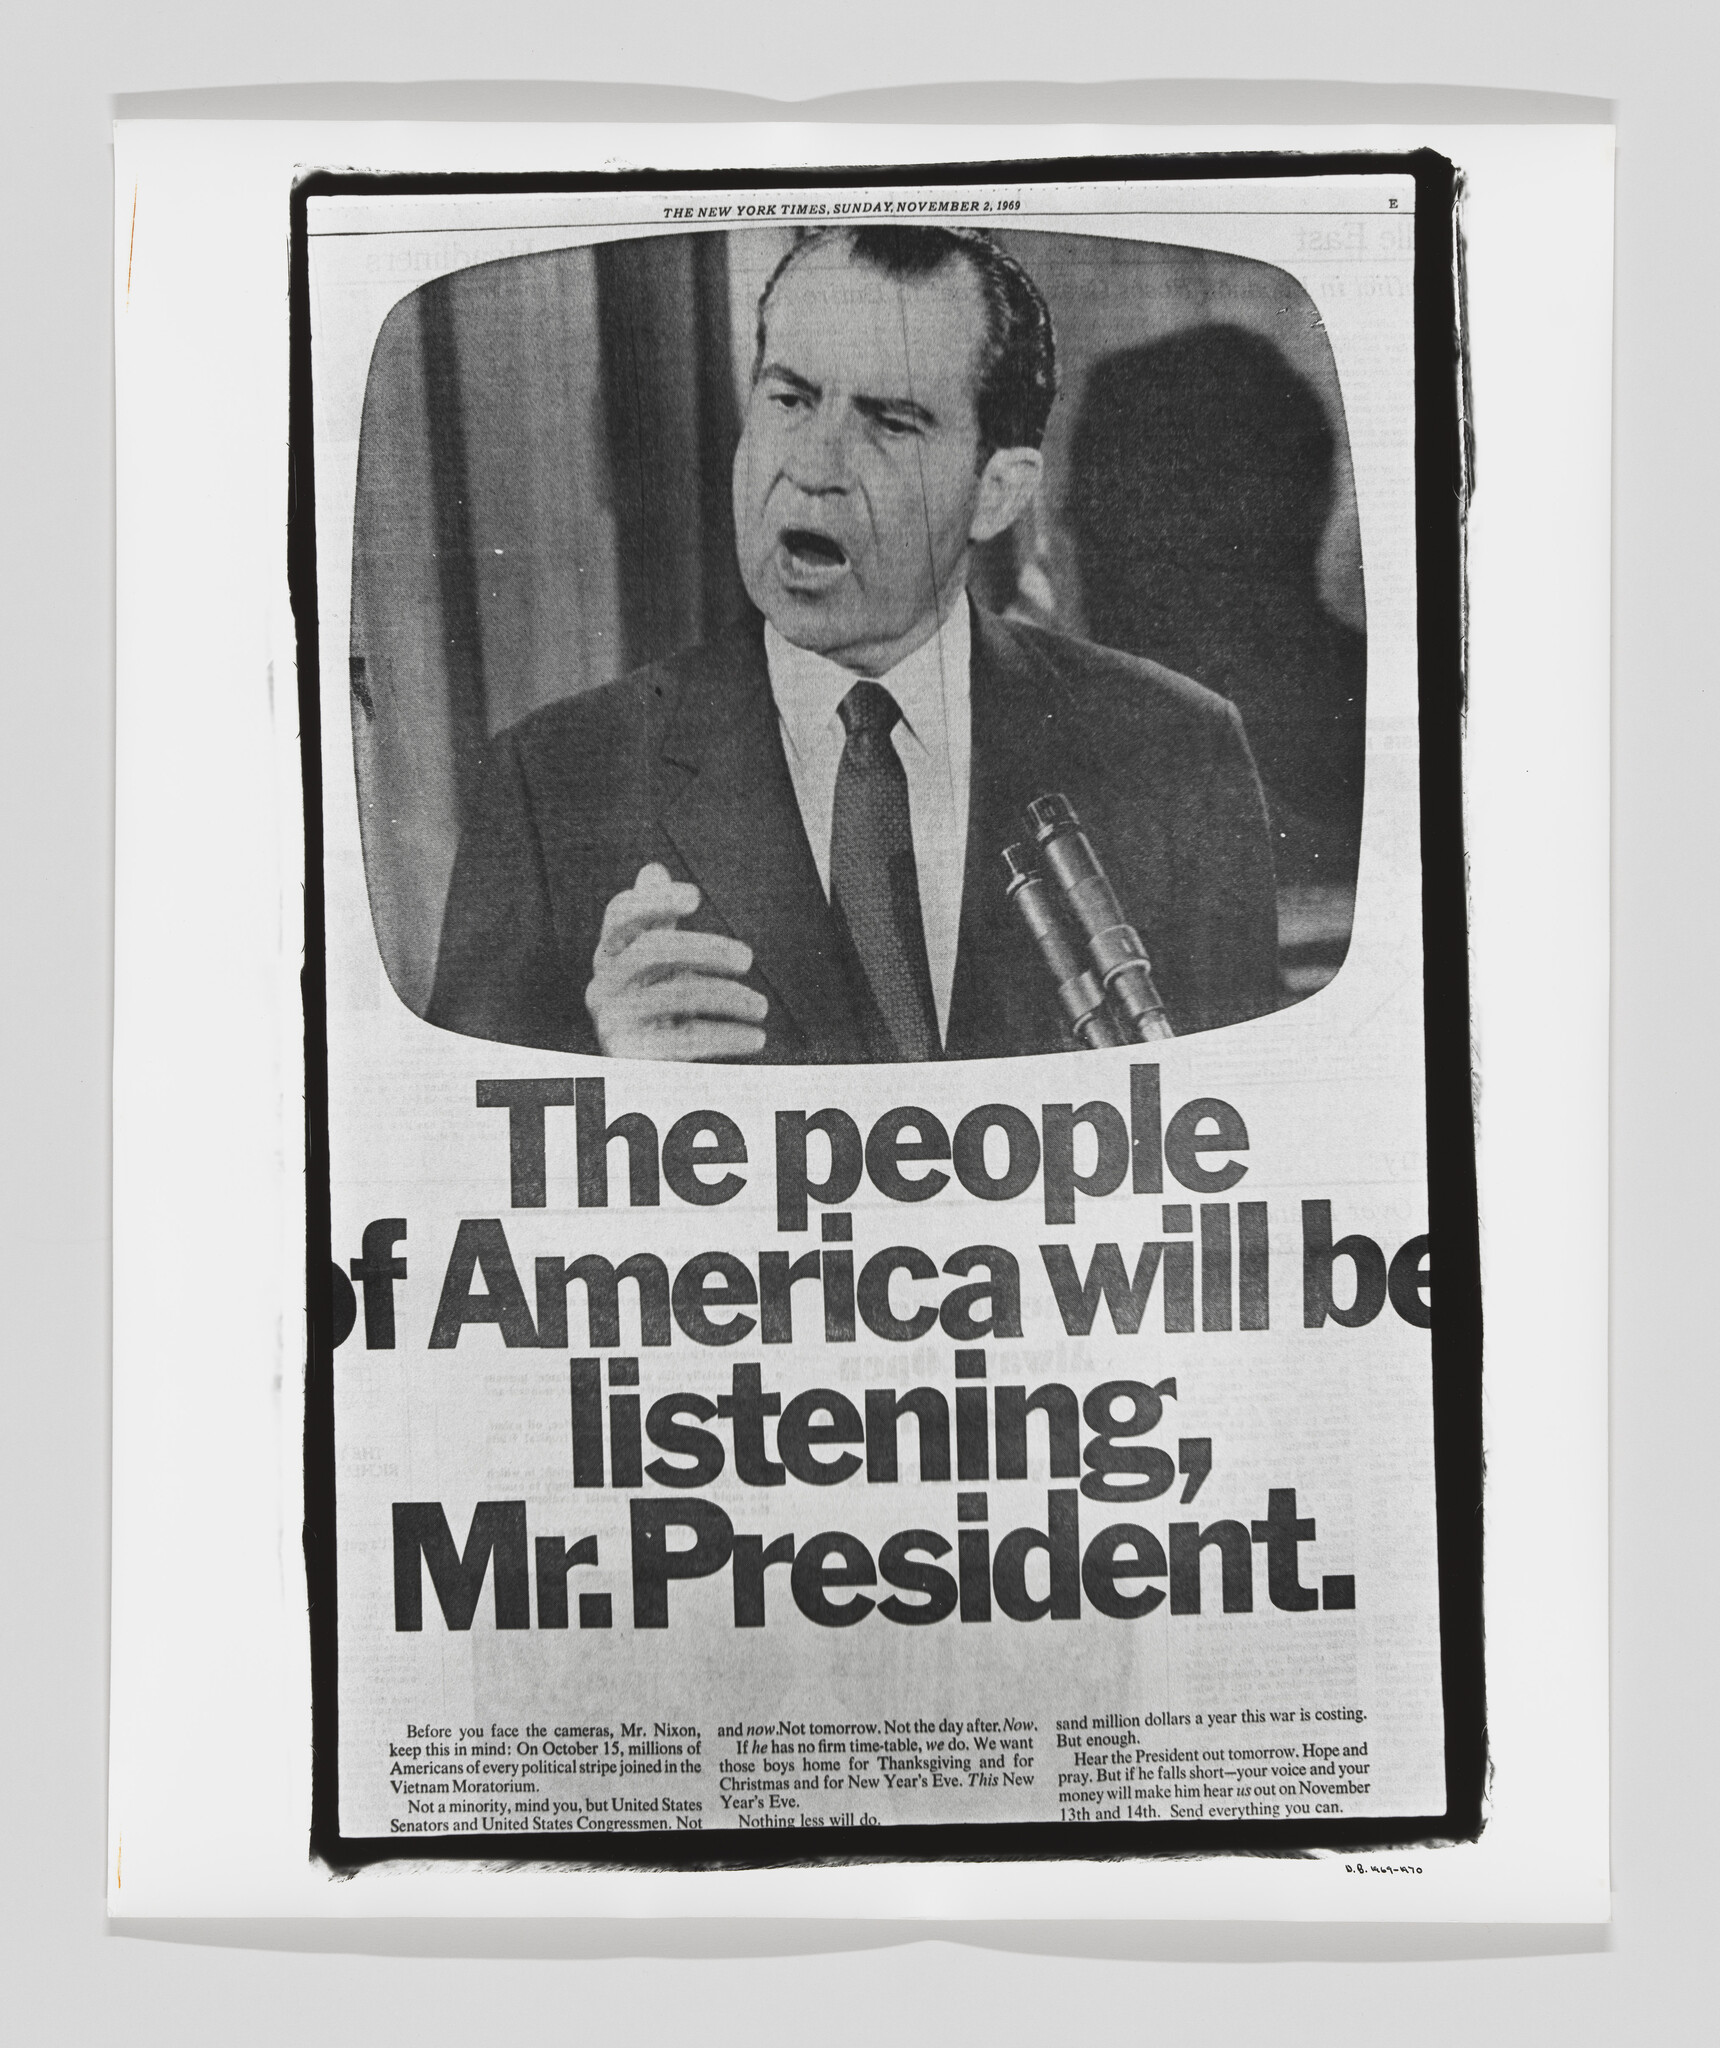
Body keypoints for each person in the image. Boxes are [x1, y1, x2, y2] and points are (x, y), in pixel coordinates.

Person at [426, 225, 1280, 1063]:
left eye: (891, 422)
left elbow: (1237, 1145)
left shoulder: (1179, 754)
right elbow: (457, 1167)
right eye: (789, 399)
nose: (812, 464)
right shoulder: (552, 788)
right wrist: (606, 1078)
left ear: (997, 493)